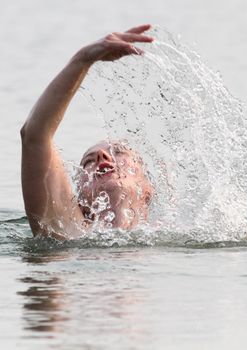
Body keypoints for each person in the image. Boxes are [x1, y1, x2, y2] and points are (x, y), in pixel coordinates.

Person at [20, 24, 155, 240]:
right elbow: (35, 135)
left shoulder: (184, 237)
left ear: (147, 188)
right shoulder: (68, 230)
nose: (102, 156)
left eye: (119, 152)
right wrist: (82, 60)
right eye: (87, 162)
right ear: (80, 199)